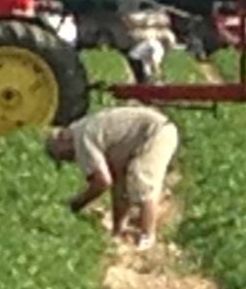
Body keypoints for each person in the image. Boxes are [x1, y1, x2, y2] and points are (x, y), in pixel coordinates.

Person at [47, 104, 180, 251]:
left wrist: (76, 204)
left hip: (156, 134)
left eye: (63, 155)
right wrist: (117, 230)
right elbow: (116, 183)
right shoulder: (86, 129)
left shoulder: (81, 139)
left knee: (142, 180)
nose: (69, 159)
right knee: (123, 181)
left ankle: (148, 236)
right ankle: (120, 230)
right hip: (156, 131)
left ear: (63, 139)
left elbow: (102, 182)